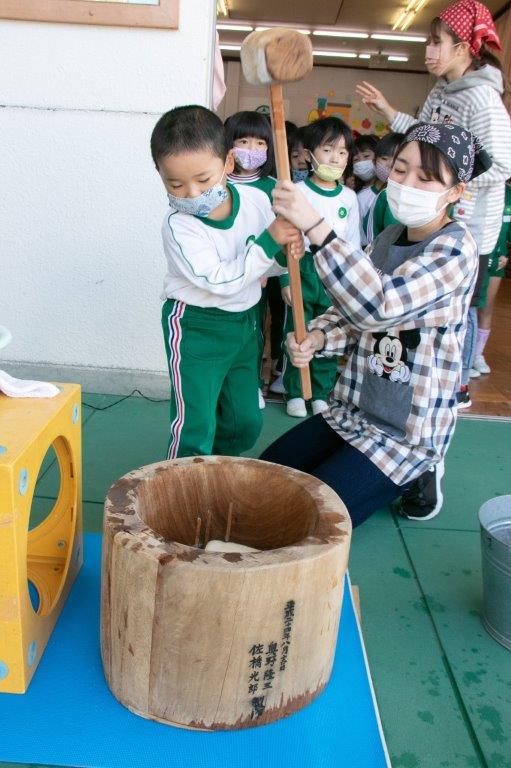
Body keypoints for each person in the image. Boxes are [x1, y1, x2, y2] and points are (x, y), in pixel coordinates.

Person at [260, 123, 491, 527]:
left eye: (426, 177)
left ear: (455, 192)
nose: (407, 183)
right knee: (267, 474)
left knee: (314, 519)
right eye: (400, 169)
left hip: (407, 431)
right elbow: (350, 313)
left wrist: (315, 226)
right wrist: (318, 337)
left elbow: (379, 306)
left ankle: (421, 470)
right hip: (353, 411)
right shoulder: (386, 238)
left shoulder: (456, 248)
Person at [356, 0, 511, 416]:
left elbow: (504, 163)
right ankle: (413, 379)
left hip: (467, 224)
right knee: (423, 304)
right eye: (429, 41)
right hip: (432, 215)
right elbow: (423, 139)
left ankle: (457, 384)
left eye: (437, 42)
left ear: (464, 48)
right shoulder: (442, 91)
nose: (429, 50)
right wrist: (389, 113)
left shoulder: (482, 99)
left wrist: (449, 183)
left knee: (459, 307)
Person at [151, 105, 302, 458]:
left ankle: (213, 468)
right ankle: (186, 477)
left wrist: (285, 254)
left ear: (228, 163)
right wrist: (269, 242)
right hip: (196, 327)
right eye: (175, 184)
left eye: (203, 180)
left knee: (243, 423)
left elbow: (264, 267)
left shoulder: (256, 201)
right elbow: (219, 280)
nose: (191, 193)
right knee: (195, 423)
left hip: (245, 324)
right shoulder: (179, 226)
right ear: (161, 176)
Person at [279, 116, 360, 418]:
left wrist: (351, 282)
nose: (335, 158)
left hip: (334, 272)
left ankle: (320, 392)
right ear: (309, 154)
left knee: (330, 330)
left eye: (342, 152)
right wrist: (285, 278)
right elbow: (284, 237)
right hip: (301, 266)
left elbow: (353, 243)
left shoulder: (349, 198)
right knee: (298, 330)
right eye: (327, 150)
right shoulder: (298, 192)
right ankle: (295, 392)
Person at [224, 111, 284, 408]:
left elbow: (284, 234)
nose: (252, 149)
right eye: (243, 141)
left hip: (260, 275)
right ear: (229, 144)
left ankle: (251, 385)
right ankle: (224, 384)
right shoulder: (217, 183)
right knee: (226, 330)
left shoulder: (273, 186)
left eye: (260, 143)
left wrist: (273, 273)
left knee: (254, 331)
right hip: (224, 270)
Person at [472, 179, 511, 376]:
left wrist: (506, 254)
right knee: (468, 308)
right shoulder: (480, 187)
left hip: (497, 260)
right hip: (475, 255)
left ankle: (477, 355)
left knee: (486, 308)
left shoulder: (509, 196)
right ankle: (464, 354)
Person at [362, 132, 403, 245]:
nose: (390, 164)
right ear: (374, 161)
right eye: (384, 158)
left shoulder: (413, 196)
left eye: (397, 158)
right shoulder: (382, 196)